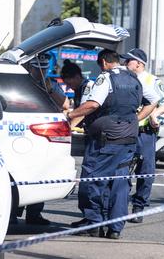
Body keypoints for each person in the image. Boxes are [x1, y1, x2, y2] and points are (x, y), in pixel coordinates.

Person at [65, 49, 142, 239]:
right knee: (120, 184)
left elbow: (93, 104)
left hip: (106, 141)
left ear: (104, 62)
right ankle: (115, 228)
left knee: (92, 180)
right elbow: (153, 101)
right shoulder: (134, 78)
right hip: (129, 138)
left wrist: (70, 115)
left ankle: (93, 222)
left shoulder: (106, 78)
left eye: (100, 64)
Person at [12, 53, 69, 226]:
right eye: (38, 69)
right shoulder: (22, 84)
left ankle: (34, 213)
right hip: (21, 133)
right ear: (30, 68)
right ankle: (12, 214)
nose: (41, 73)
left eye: (44, 69)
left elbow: (65, 105)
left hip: (43, 134)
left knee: (40, 172)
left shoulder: (50, 84)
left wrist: (48, 88)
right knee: (18, 173)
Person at [120, 48, 164, 223]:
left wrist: (154, 114)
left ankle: (138, 207)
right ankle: (119, 205)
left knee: (145, 171)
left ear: (139, 64)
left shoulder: (151, 80)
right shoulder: (124, 78)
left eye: (129, 61)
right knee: (122, 169)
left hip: (144, 134)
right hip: (126, 130)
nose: (125, 64)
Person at [60, 60, 94, 226]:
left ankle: (91, 218)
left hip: (98, 137)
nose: (69, 87)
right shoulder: (81, 88)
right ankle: (90, 217)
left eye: (69, 82)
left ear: (76, 77)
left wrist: (68, 127)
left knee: (90, 178)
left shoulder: (88, 87)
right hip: (92, 135)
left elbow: (84, 111)